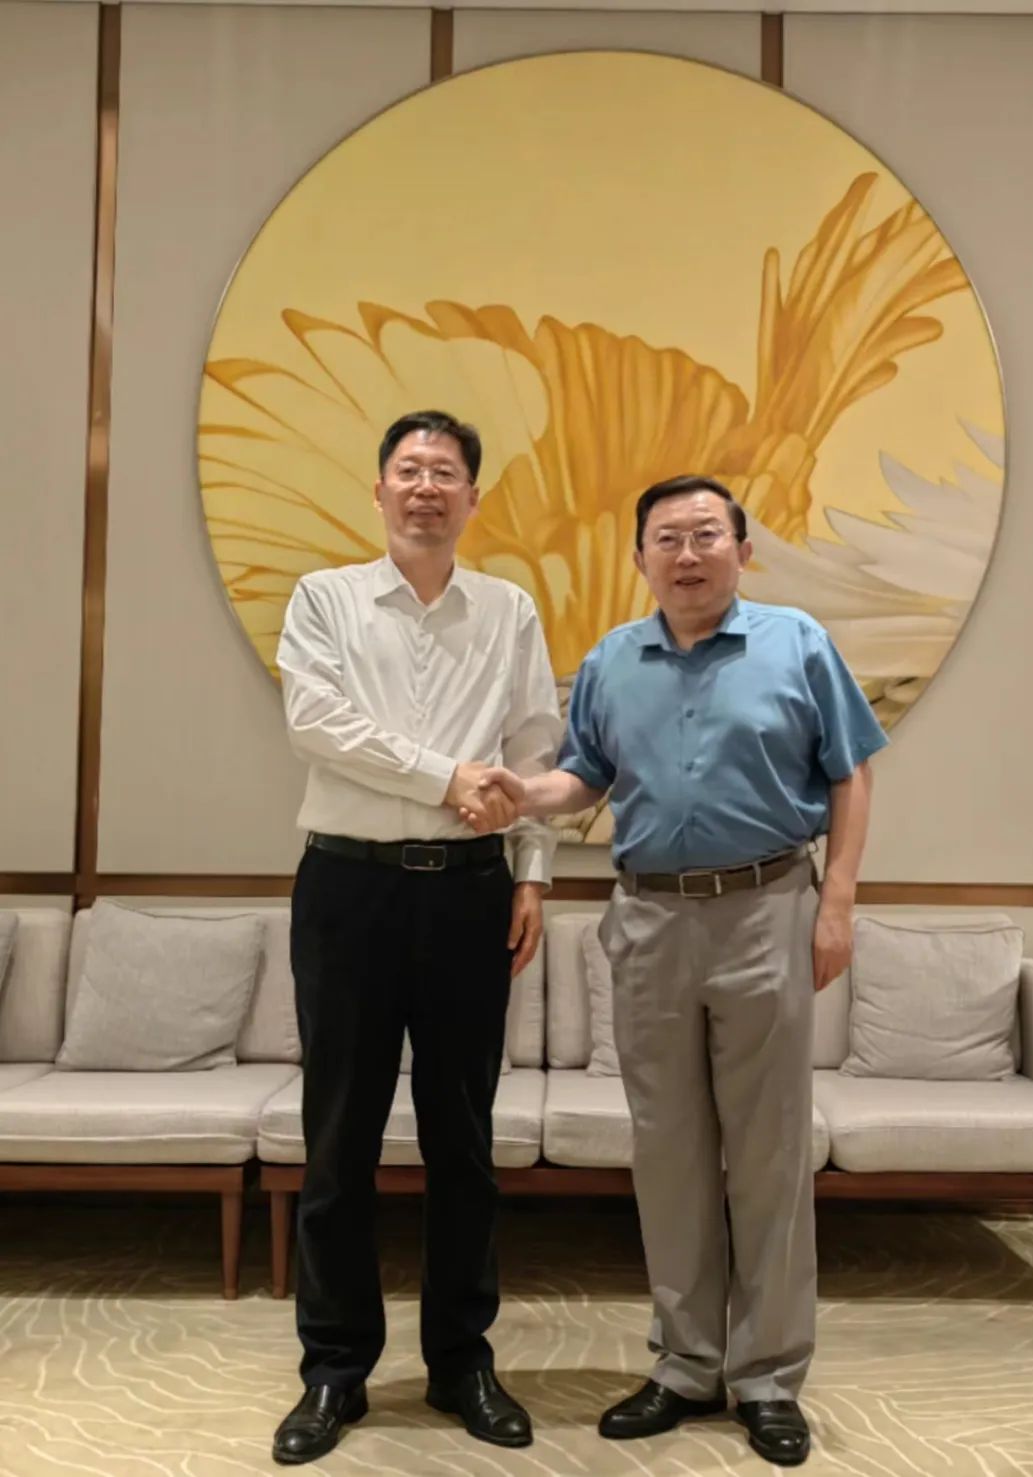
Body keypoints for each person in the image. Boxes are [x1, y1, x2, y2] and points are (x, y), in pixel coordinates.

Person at [465, 474, 888, 1468]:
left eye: (706, 534)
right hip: (650, 918)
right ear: (640, 557)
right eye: (668, 538)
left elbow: (851, 770)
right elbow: (586, 776)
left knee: (770, 1150)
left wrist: (837, 901)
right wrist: (523, 792)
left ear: (743, 548)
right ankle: (688, 1363)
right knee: (667, 1150)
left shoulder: (797, 642)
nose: (688, 554)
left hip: (768, 908)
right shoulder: (612, 659)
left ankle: (768, 1375)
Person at [271, 410, 561, 1466]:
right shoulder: (325, 599)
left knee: (464, 1141)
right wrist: (445, 777)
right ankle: (335, 1367)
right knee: (339, 1136)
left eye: (446, 472)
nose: (426, 486)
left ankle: (460, 1361)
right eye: (410, 469)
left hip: (472, 894)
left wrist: (533, 873)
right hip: (348, 889)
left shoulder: (509, 609)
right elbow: (318, 722)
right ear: (381, 489)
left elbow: (534, 747)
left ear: (473, 498)